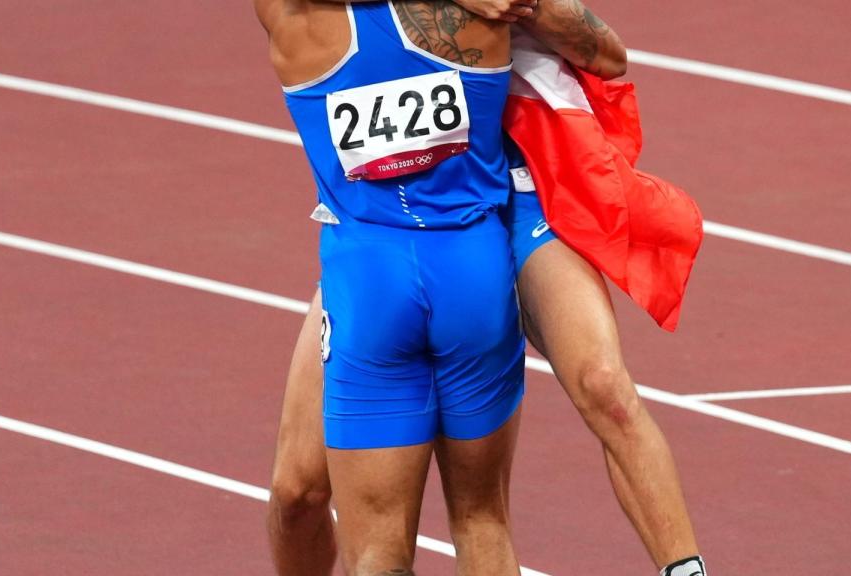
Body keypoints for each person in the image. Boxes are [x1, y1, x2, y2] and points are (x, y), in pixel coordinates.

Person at [260, 1, 709, 576]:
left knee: (600, 386)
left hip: (514, 197)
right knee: (298, 491)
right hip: (387, 241)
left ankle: (686, 569)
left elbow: (609, 56)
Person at [255, 0, 543, 573]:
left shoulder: (297, 19)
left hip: (370, 276)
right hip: (474, 268)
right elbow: (607, 54)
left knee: (379, 551)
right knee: (482, 518)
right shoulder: (480, 11)